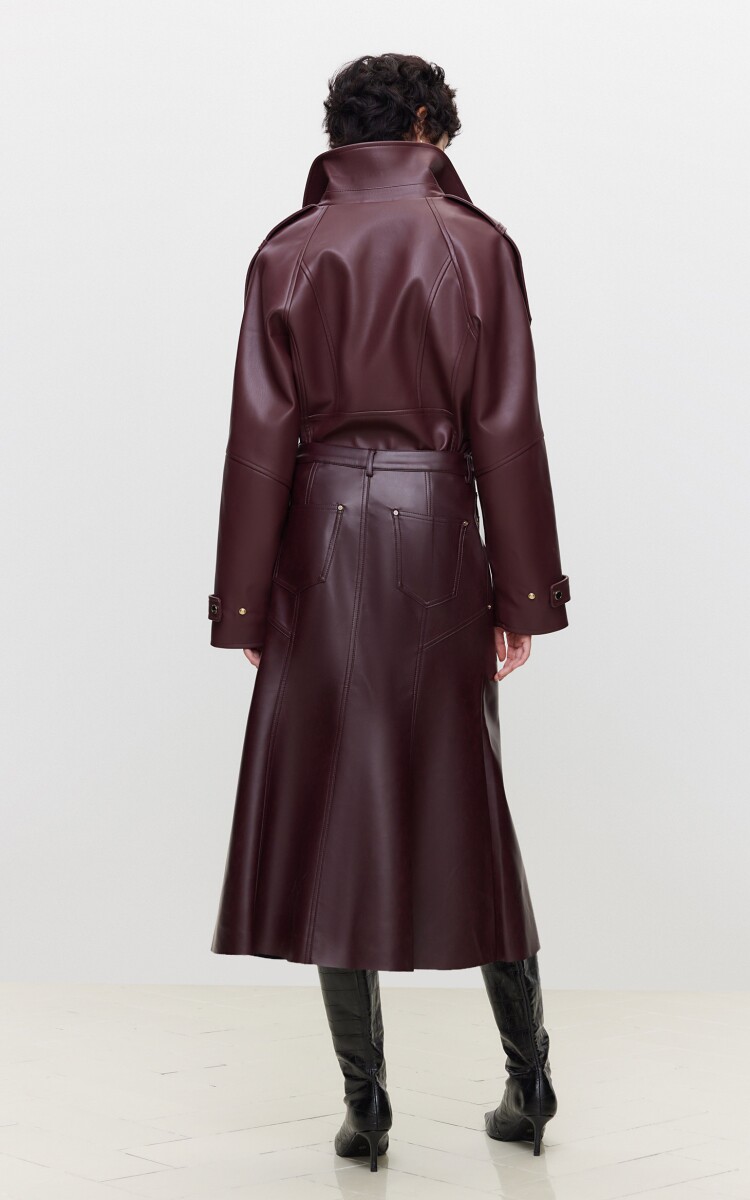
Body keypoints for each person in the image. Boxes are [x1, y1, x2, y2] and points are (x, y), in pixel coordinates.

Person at [207, 53, 570, 1169]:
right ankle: (530, 1082)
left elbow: (258, 437)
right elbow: (506, 424)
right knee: (474, 808)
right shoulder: (479, 244)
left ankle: (366, 1111)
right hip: (438, 546)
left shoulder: (286, 251)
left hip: (317, 545)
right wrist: (522, 593)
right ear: (423, 123)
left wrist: (246, 605)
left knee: (333, 819)